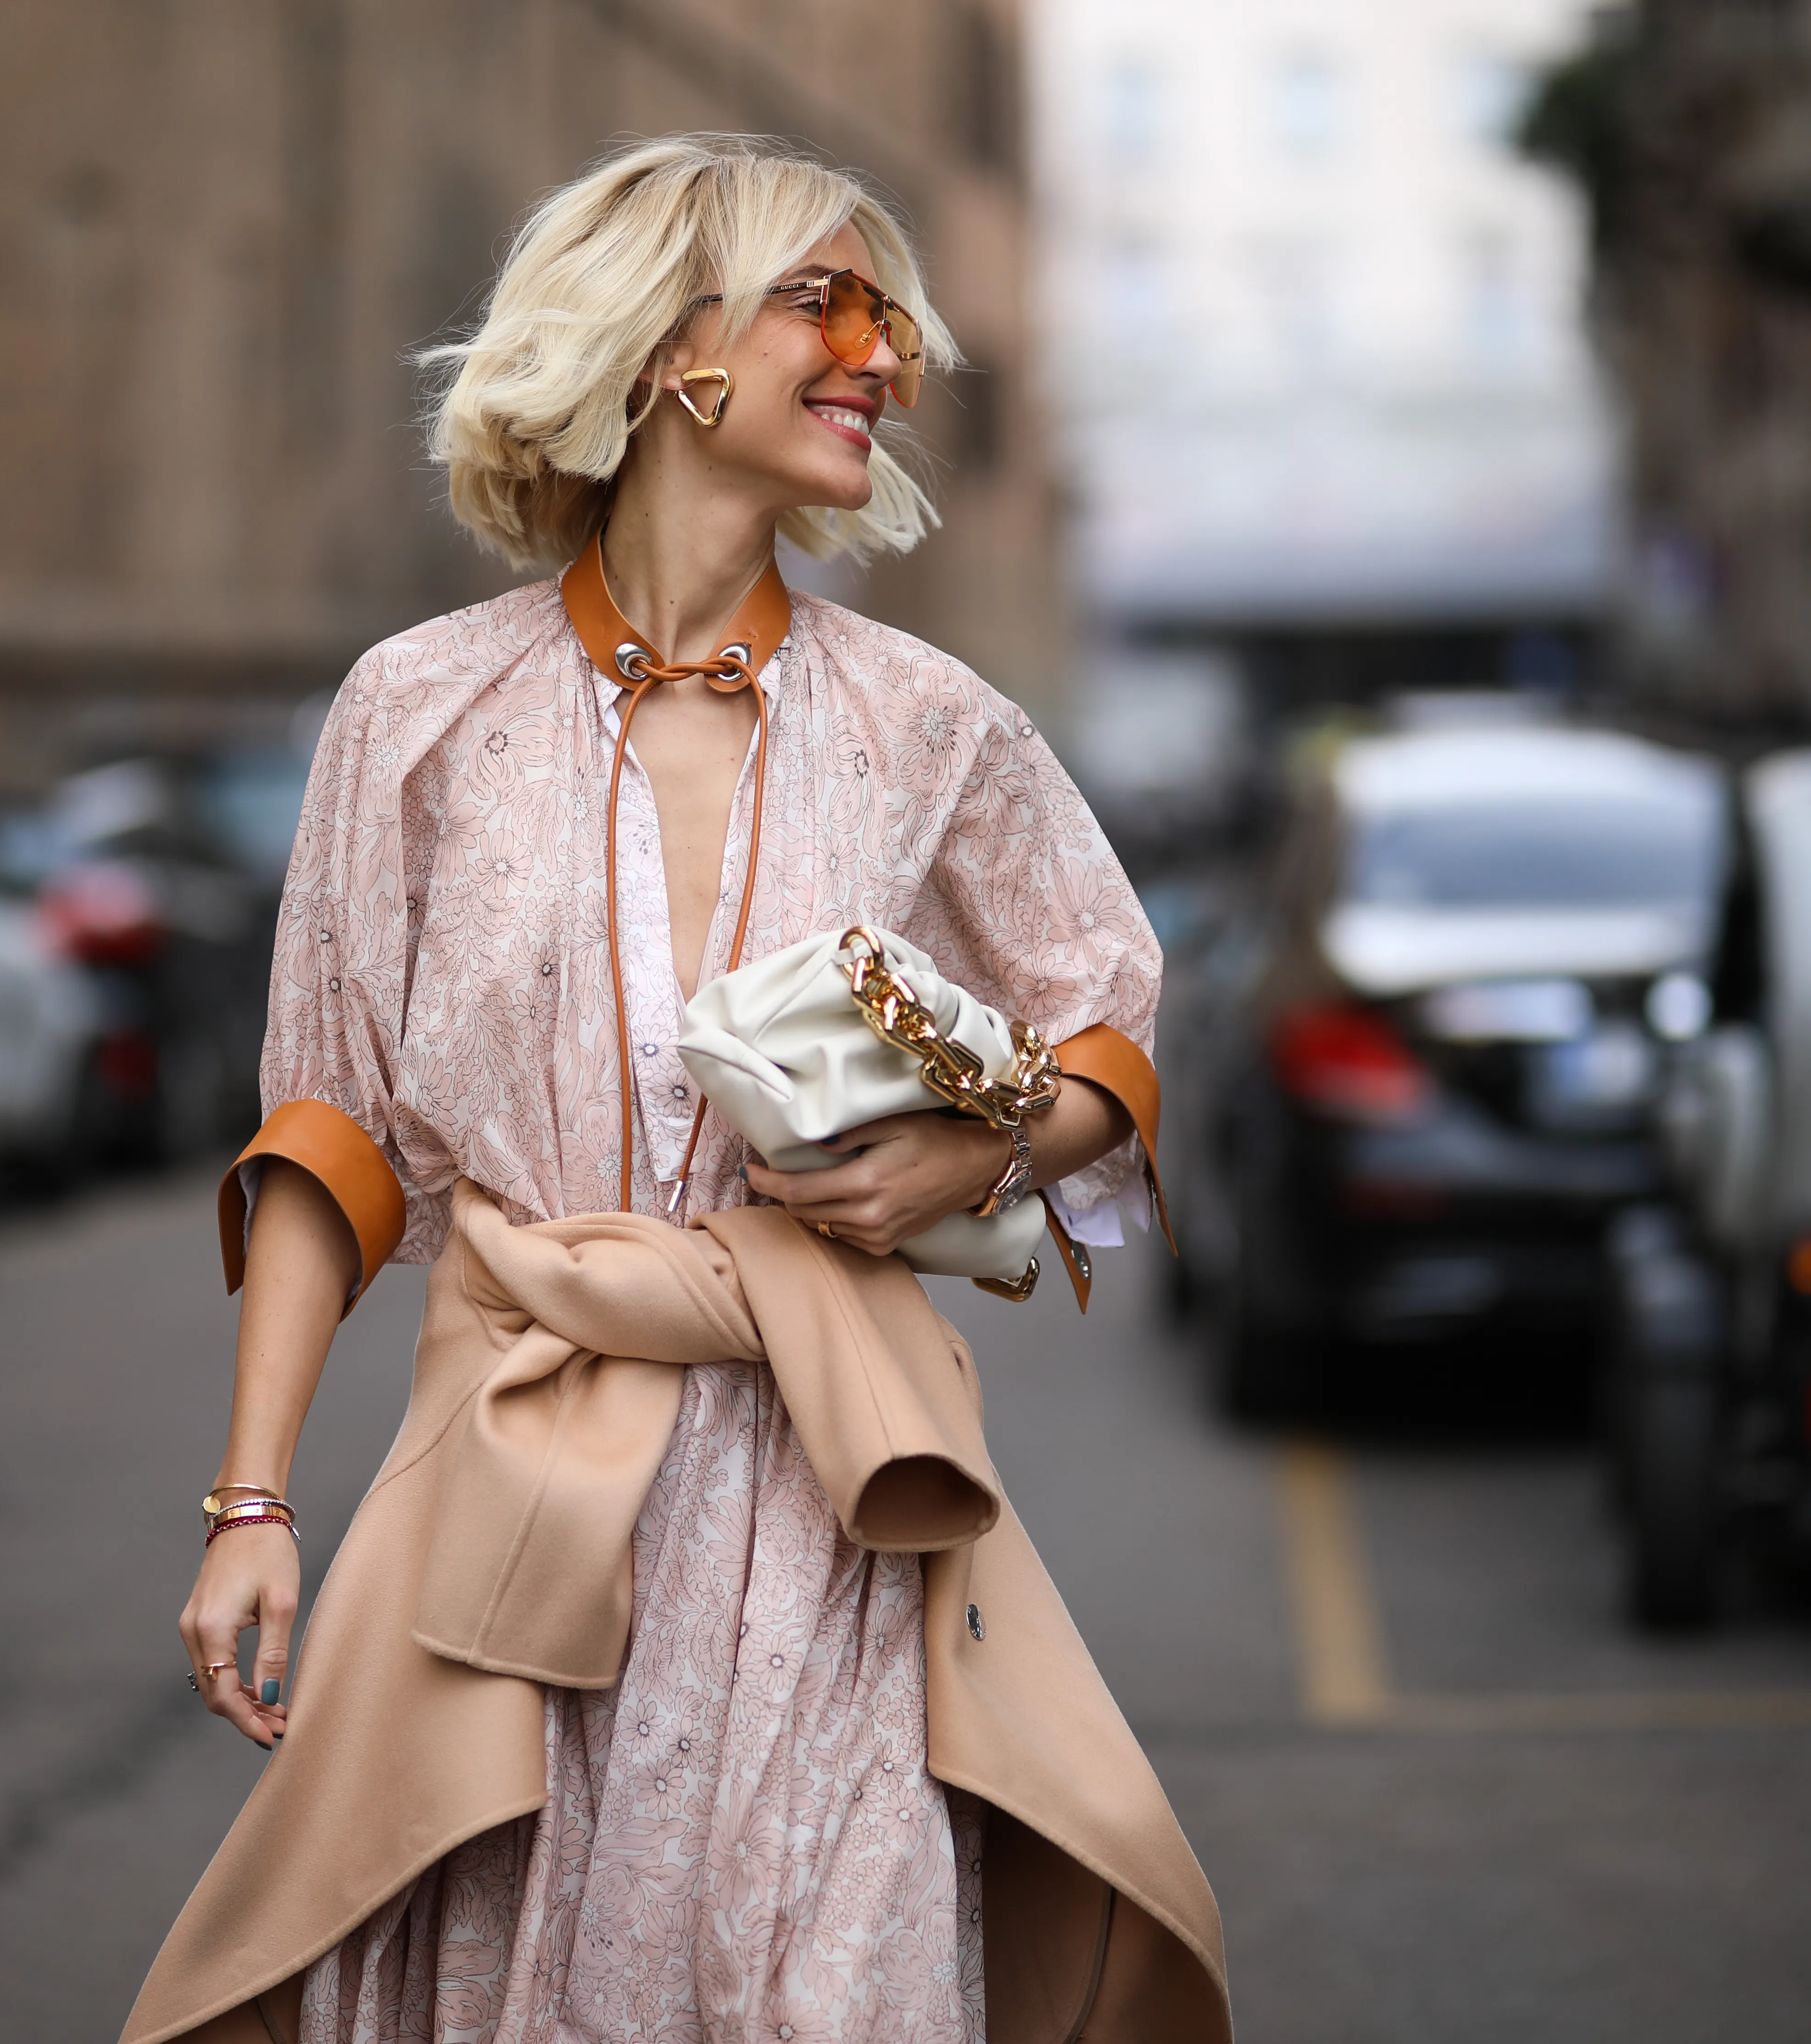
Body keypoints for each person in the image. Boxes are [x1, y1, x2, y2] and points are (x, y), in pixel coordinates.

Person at [125, 135, 1226, 2044]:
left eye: (889, 313)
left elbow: (1113, 1026)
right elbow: (330, 1131)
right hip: (511, 1496)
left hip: (838, 1505)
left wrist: (979, 1143)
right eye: (825, 299)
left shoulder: (930, 721)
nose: (882, 352)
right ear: (661, 352)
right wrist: (252, 1504)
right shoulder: (418, 712)